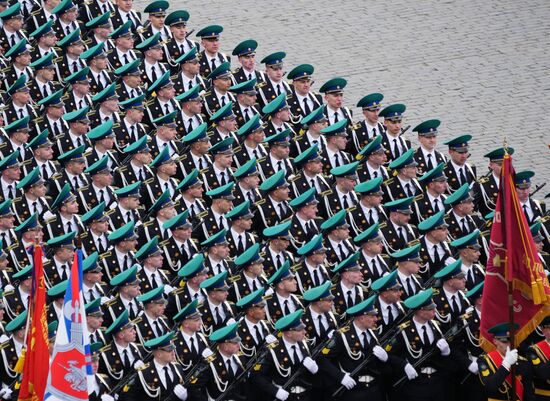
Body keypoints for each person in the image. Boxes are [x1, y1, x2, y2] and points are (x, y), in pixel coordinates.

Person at [319, 295, 394, 401]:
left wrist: (385, 359)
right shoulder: (342, 335)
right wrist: (340, 376)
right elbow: (322, 359)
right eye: (372, 316)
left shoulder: (373, 333)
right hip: (353, 390)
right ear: (362, 317)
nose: (376, 319)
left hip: (374, 390)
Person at [389, 288, 453, 401]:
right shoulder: (403, 330)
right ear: (420, 311)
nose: (434, 311)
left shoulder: (436, 325)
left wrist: (446, 352)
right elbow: (391, 355)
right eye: (430, 309)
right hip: (415, 382)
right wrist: (404, 365)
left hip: (436, 381)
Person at [251, 309, 319, 400]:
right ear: (289, 333)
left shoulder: (306, 345)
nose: (304, 332)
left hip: (305, 394)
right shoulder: (271, 351)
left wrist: (315, 369)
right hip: (284, 395)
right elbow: (256, 376)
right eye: (300, 330)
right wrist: (275, 391)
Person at [119, 331, 189, 401]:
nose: (173, 353)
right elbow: (129, 397)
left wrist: (186, 397)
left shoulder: (177, 368)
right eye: (169, 350)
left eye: (173, 349)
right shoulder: (143, 373)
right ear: (159, 354)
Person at [477, 322, 527, 401]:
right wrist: (506, 364)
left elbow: (528, 391)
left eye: (511, 340)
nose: (509, 344)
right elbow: (490, 388)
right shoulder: (485, 361)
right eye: (504, 341)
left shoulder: (522, 361)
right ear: (495, 341)